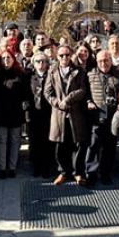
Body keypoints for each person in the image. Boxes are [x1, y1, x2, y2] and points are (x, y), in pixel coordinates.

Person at [46, 44, 90, 186]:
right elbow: (47, 92)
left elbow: (82, 90)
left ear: (71, 55)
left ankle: (78, 172)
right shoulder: (52, 71)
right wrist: (58, 103)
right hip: (59, 113)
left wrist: (68, 100)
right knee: (61, 145)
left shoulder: (79, 71)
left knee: (78, 144)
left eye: (67, 55)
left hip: (75, 113)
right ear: (57, 57)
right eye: (61, 55)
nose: (64, 58)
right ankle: (63, 172)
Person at [85, 50, 119, 186]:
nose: (104, 63)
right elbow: (85, 93)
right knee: (93, 146)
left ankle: (106, 173)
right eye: (101, 61)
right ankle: (91, 173)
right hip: (96, 117)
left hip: (113, 117)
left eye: (106, 60)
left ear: (111, 60)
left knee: (110, 147)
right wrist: (88, 102)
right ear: (96, 62)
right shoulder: (90, 74)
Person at [0, 49, 30, 178]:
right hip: (1, 113)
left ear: (13, 59)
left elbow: (25, 94)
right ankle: (2, 168)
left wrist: (26, 112)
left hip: (16, 113)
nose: (6, 60)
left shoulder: (20, 74)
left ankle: (12, 167)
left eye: (8, 57)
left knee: (15, 140)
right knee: (2, 140)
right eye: (3, 58)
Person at [28, 52, 56, 178]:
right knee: (35, 141)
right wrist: (27, 112)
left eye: (43, 61)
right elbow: (26, 95)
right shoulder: (29, 76)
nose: (41, 63)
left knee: (47, 141)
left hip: (48, 112)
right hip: (34, 113)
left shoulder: (52, 75)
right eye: (38, 61)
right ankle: (36, 166)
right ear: (33, 63)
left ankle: (46, 167)